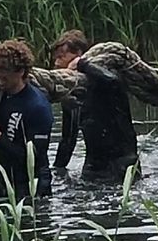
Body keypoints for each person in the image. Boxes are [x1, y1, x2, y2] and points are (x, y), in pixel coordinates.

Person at [50, 29, 140, 180]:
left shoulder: (106, 77)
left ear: (78, 54)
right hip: (94, 167)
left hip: (122, 163)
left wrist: (83, 65)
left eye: (61, 56)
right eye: (55, 58)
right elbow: (68, 140)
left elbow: (114, 83)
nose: (57, 63)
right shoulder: (71, 92)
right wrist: (56, 172)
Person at [0, 40, 54, 200]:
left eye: (4, 69)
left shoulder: (37, 107)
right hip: (1, 179)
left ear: (20, 71)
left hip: (30, 186)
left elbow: (33, 159)